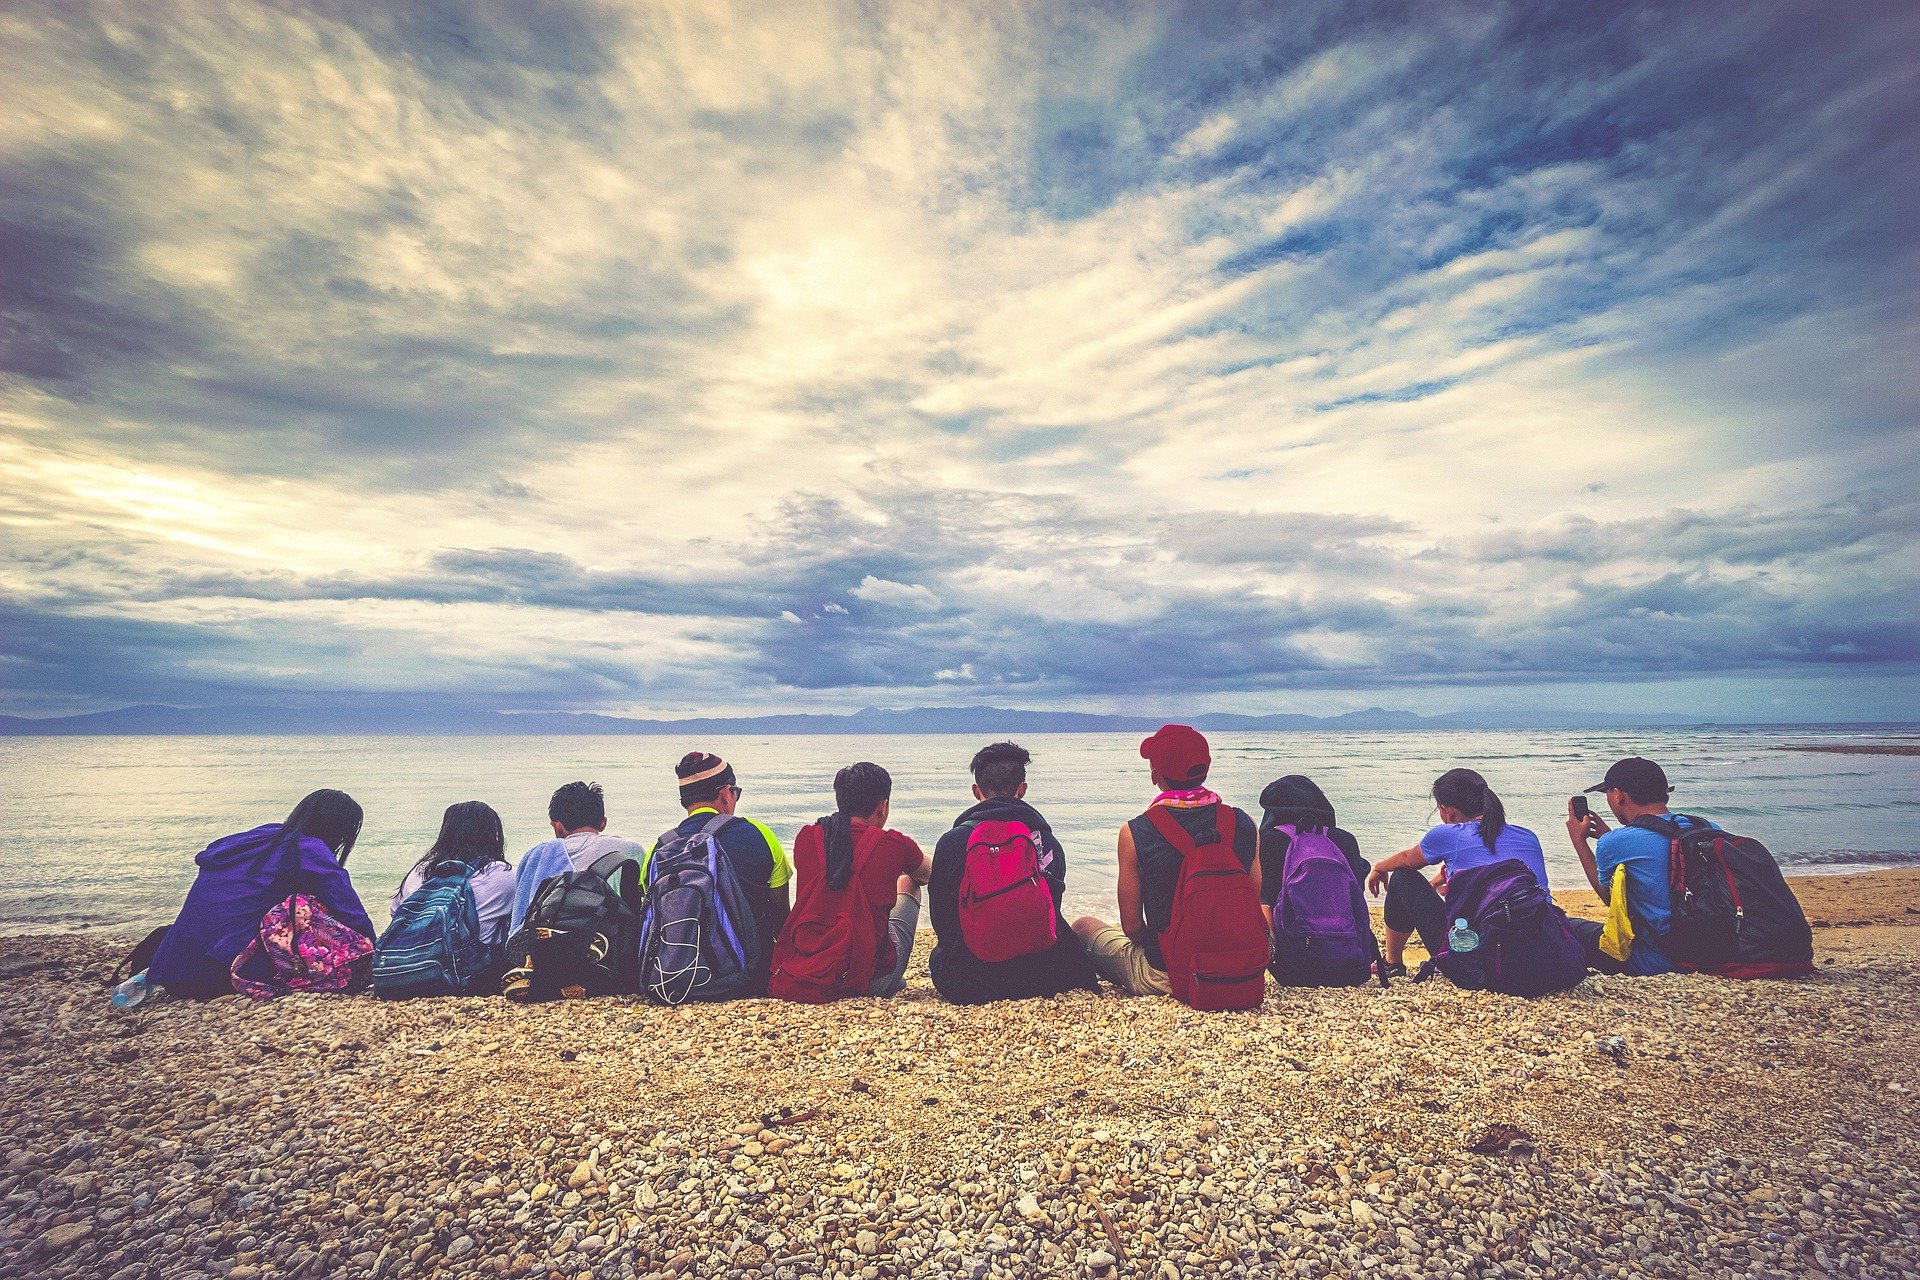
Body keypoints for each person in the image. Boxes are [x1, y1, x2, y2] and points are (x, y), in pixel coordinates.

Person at [1071, 725, 1261, 997]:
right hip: (1244, 965)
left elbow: (1132, 926)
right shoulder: (1244, 823)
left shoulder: (1135, 832)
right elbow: (1253, 900)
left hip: (1166, 973)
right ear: (1205, 769)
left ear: (1155, 776)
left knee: (1083, 926)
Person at [147, 789, 375, 998]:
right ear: (338, 831)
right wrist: (377, 950)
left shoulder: (259, 838)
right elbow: (349, 909)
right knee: (307, 905)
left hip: (172, 971)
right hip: (224, 974)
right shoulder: (309, 849)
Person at [927, 742, 1099, 1004]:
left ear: (976, 791)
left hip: (968, 980)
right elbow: (1053, 909)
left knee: (937, 956)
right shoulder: (1046, 841)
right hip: (1041, 976)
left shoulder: (952, 842)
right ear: (1022, 789)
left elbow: (941, 922)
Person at [1366, 768, 1550, 976]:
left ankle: (1392, 962)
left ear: (1449, 810)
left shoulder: (1448, 834)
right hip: (1538, 945)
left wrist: (1379, 867)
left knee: (1402, 877)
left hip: (1474, 955)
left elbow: (1408, 860)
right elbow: (1492, 866)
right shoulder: (1527, 836)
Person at [639, 752, 792, 995]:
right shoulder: (760, 835)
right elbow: (781, 914)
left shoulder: (658, 850)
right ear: (725, 793)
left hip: (671, 980)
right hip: (747, 981)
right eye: (736, 793)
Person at [776, 762, 932, 999]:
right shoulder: (893, 844)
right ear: (883, 806)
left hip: (807, 971)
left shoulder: (806, 837)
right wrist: (894, 870)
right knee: (908, 883)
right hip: (869, 980)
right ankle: (890, 979)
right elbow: (930, 874)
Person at [1563, 756, 1689, 975]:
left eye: (1608, 794)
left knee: (1565, 926)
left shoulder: (1615, 843)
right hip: (1702, 952)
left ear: (1618, 795)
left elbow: (1608, 898)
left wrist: (1579, 841)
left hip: (1651, 961)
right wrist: (1610, 836)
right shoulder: (1701, 827)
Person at [509, 781, 647, 934]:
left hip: (546, 948)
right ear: (603, 823)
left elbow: (519, 920)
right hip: (611, 948)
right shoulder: (631, 850)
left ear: (557, 826)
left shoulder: (535, 856)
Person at [390, 800, 516, 949]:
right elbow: (521, 914)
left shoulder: (420, 870)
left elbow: (395, 914)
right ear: (492, 834)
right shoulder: (501, 873)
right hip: (470, 968)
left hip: (409, 960)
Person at [1257, 774, 1372, 918]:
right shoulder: (1345, 839)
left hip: (1286, 936)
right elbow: (1358, 884)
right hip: (1348, 937)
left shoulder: (1265, 841)